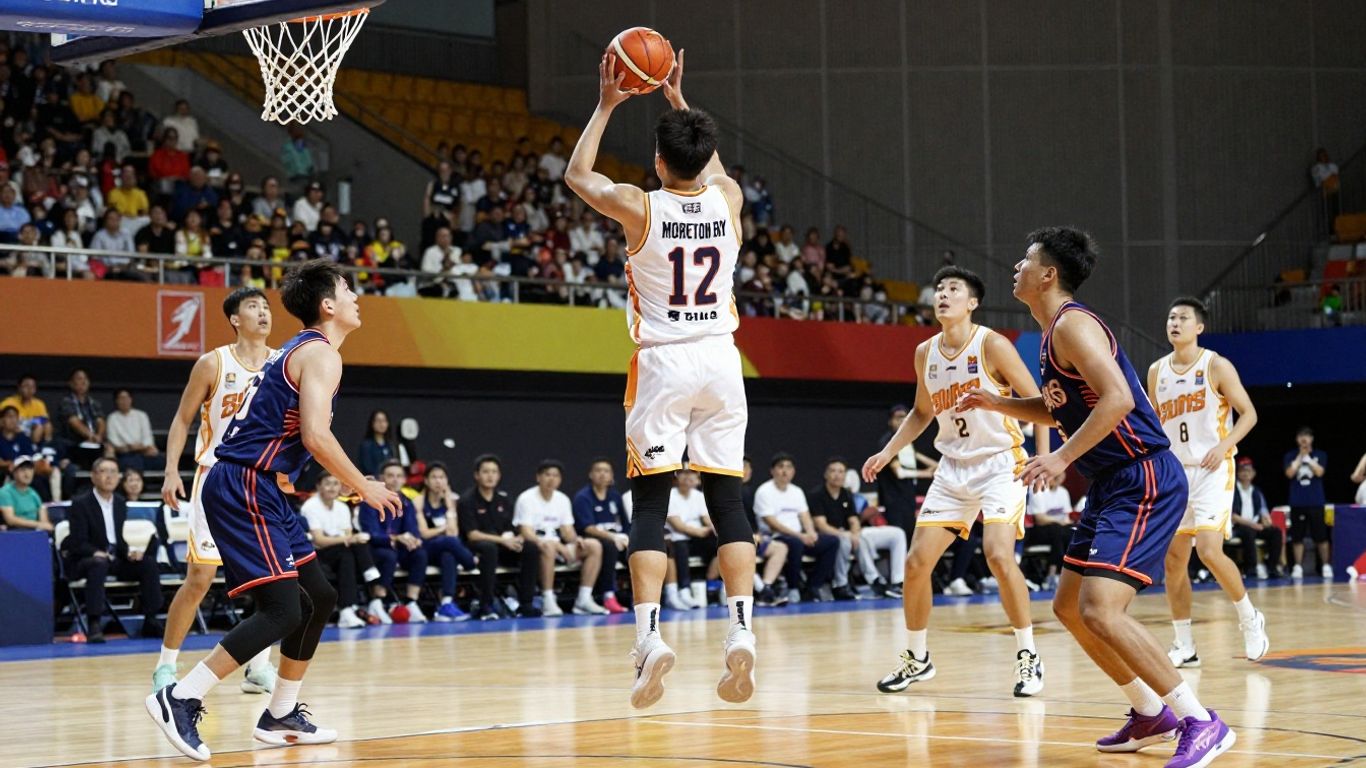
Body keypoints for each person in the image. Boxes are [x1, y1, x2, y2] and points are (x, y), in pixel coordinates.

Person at [958, 227, 1234, 765]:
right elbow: (1060, 407)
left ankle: (1202, 721)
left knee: (1104, 610)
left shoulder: (1073, 324)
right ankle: (1149, 709)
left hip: (1142, 476)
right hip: (1112, 483)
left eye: (1025, 260)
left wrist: (1060, 458)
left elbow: (1119, 398)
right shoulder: (1051, 334)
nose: (1015, 267)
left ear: (1048, 275)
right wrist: (997, 403)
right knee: (1069, 607)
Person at [146, 260, 402, 761]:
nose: (357, 298)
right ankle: (179, 696)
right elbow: (315, 435)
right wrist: (363, 486)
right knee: (282, 609)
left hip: (262, 485)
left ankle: (280, 711)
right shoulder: (321, 355)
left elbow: (286, 429)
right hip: (242, 484)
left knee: (319, 596)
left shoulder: (300, 350)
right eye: (348, 291)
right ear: (328, 305)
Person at [564, 48, 758, 710]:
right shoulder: (729, 199)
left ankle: (649, 639)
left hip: (665, 360)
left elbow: (576, 174)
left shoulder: (639, 206)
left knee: (650, 502)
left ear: (656, 162)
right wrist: (679, 101)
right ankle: (742, 630)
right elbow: (719, 171)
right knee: (727, 500)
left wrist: (607, 102)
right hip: (722, 359)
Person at [864, 266, 1048, 698]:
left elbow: (1038, 401)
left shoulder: (992, 345)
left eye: (954, 290)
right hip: (953, 469)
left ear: (972, 303)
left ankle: (1028, 655)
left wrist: (1045, 455)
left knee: (999, 555)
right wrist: (888, 451)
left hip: (1001, 462)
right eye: (939, 288)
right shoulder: (924, 352)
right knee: (915, 563)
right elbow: (922, 413)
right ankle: (917, 658)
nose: (943, 295)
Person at [153, 286, 278, 696]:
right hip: (216, 477)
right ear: (235, 319)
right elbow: (181, 420)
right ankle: (166, 666)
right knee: (200, 578)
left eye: (266, 307)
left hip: (260, 481)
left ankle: (258, 667)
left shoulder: (280, 364)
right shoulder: (213, 362)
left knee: (271, 580)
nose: (263, 313)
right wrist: (172, 470)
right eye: (253, 307)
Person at [1148, 297, 1268, 667]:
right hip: (1174, 473)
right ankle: (1185, 643)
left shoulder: (1216, 365)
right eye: (1171, 317)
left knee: (1209, 550)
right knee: (1173, 561)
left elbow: (1249, 414)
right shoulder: (1156, 371)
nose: (1175, 322)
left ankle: (1250, 617)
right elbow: (1153, 423)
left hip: (1212, 468)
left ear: (1199, 327)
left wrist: (1224, 445)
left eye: (1184, 317)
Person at [62, 458, 164, 643]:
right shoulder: (80, 503)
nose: (109, 476)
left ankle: (151, 619)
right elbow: (77, 542)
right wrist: (95, 552)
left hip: (113, 557)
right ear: (93, 477)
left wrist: (130, 552)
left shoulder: (119, 502)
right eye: (104, 471)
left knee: (147, 563)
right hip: (85, 559)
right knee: (98, 564)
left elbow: (116, 539)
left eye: (113, 472)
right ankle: (94, 623)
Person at [513, 459, 609, 617]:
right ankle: (548, 598)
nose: (551, 479)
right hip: (538, 546)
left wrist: (576, 540)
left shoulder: (562, 499)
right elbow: (526, 531)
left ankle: (584, 598)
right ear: (538, 477)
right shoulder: (526, 498)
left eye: (555, 475)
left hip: (559, 546)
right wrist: (550, 543)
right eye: (547, 475)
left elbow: (567, 530)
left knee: (593, 545)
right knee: (548, 546)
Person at [458, 454, 542, 620]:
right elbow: (472, 534)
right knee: (489, 550)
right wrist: (503, 540)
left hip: (502, 545)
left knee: (531, 547)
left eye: (494, 472)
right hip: (477, 547)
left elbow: (510, 528)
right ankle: (486, 605)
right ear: (477, 475)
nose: (490, 476)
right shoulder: (467, 500)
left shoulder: (503, 499)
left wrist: (516, 538)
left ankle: (526, 603)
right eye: (486, 472)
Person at [810, 457, 904, 599]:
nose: (837, 475)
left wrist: (854, 533)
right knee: (846, 540)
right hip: (831, 535)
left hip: (853, 534)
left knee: (897, 534)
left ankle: (898, 582)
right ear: (826, 474)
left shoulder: (846, 494)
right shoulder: (817, 495)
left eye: (841, 472)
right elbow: (821, 525)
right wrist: (845, 534)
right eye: (833, 471)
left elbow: (853, 520)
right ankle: (844, 584)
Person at [755, 454, 840, 602]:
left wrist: (811, 533)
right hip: (775, 536)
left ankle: (813, 586)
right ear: (772, 471)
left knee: (832, 541)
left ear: (793, 471)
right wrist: (800, 536)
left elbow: (805, 515)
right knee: (795, 543)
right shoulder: (764, 491)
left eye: (788, 467)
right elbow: (772, 523)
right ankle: (793, 587)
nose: (785, 471)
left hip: (800, 536)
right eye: (780, 467)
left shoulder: (797, 491)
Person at [301, 470, 382, 628]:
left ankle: (347, 609)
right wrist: (347, 539)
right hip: (318, 553)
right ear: (319, 486)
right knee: (348, 551)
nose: (332, 488)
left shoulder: (342, 507)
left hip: (340, 549)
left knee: (353, 549)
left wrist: (349, 539)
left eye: (336, 483)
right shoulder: (310, 506)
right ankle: (371, 578)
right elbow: (319, 540)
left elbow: (348, 534)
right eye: (328, 484)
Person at [357, 461, 431, 624]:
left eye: (399, 476)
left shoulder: (406, 502)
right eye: (390, 476)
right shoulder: (369, 501)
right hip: (376, 548)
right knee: (388, 556)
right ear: (382, 478)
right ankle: (377, 600)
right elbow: (371, 533)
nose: (395, 480)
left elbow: (412, 528)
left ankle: (411, 601)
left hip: (399, 548)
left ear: (404, 480)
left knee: (420, 554)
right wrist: (395, 538)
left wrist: (414, 539)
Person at [413, 461, 476, 622]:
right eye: (434, 477)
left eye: (442, 477)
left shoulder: (452, 501)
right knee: (449, 543)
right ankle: (470, 561)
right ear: (426, 481)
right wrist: (442, 530)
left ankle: (446, 604)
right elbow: (424, 534)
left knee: (449, 555)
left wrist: (450, 509)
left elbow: (454, 532)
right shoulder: (419, 501)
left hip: (445, 548)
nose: (438, 481)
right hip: (426, 548)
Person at [570, 457, 631, 614]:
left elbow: (625, 523)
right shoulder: (583, 497)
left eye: (606, 471)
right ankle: (608, 595)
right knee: (608, 547)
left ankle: (638, 597)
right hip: (595, 541)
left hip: (618, 540)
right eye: (598, 470)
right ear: (591, 474)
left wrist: (626, 537)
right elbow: (588, 528)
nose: (602, 474)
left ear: (611, 476)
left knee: (640, 551)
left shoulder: (615, 497)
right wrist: (613, 537)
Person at [665, 467, 717, 610]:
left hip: (698, 536)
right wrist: (700, 532)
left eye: (692, 473)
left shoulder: (699, 496)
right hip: (677, 538)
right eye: (683, 473)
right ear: (676, 477)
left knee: (721, 544)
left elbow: (706, 519)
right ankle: (684, 590)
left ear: (698, 478)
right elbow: (678, 526)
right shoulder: (669, 495)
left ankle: (711, 584)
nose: (688, 477)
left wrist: (714, 528)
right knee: (680, 546)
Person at [1283, 427, 1330, 579]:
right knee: (1297, 537)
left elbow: (1319, 472)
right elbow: (1289, 473)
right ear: (1297, 439)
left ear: (1312, 439)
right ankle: (1297, 566)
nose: (1304, 439)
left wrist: (1308, 458)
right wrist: (1299, 457)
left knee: (1321, 536)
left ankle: (1326, 565)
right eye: (1301, 436)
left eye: (1307, 436)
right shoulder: (1290, 455)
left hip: (1316, 502)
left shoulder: (1320, 455)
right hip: (1297, 502)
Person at [1231, 459, 1282, 580]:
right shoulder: (1232, 490)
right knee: (1248, 532)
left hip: (1254, 526)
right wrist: (1253, 525)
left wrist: (1267, 520)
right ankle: (1251, 569)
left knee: (1275, 532)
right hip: (1237, 526)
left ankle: (1272, 568)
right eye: (1243, 471)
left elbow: (1263, 511)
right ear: (1237, 473)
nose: (1245, 474)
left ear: (1253, 474)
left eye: (1248, 471)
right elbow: (1233, 516)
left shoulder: (1257, 492)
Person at [1025, 475, 1074, 590]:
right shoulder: (1038, 489)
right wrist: (1060, 521)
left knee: (1073, 532)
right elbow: (1040, 519)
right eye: (1055, 476)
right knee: (1057, 530)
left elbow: (1067, 518)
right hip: (1037, 531)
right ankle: (1052, 574)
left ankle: (1069, 573)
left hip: (1058, 529)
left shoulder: (1063, 492)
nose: (1057, 479)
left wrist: (1066, 523)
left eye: (1060, 476)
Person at [107, 389, 159, 472]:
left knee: (160, 460)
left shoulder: (141, 415)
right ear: (116, 401)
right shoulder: (112, 418)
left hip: (143, 452)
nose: (124, 401)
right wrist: (131, 447)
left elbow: (148, 439)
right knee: (132, 463)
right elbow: (114, 442)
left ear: (131, 399)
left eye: (127, 398)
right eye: (121, 398)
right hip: (124, 454)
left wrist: (141, 447)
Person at [0, 455, 52, 532]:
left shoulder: (33, 493)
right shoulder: (5, 492)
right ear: (14, 473)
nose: (27, 473)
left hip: (35, 532)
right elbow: (10, 520)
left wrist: (44, 526)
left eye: (30, 469)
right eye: (22, 469)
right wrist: (38, 524)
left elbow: (43, 519)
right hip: (14, 533)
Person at [356, 410, 395, 477]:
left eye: (384, 420)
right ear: (372, 423)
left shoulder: (391, 445)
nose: (381, 424)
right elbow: (368, 468)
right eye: (378, 421)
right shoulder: (366, 445)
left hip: (390, 481)